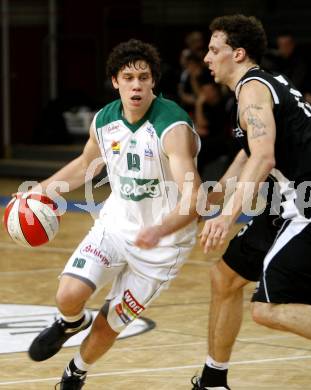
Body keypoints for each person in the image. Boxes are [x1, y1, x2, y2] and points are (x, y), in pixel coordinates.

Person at [191, 15, 311, 390]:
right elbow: (246, 154)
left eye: (213, 50)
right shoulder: (259, 87)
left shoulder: (252, 90)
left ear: (237, 53)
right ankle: (213, 380)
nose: (206, 58)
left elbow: (263, 158)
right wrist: (214, 197)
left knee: (266, 309)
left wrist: (226, 217)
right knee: (225, 277)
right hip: (291, 202)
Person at [25, 39, 202, 389]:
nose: (136, 85)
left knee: (108, 324)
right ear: (115, 81)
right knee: (68, 295)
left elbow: (193, 198)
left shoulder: (172, 127)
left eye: (144, 77)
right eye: (128, 77)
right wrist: (41, 189)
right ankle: (70, 322)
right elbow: (84, 166)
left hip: (162, 246)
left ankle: (75, 373)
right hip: (116, 226)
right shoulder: (104, 120)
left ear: (154, 82)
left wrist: (161, 229)